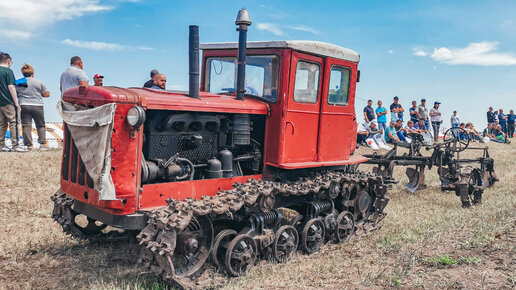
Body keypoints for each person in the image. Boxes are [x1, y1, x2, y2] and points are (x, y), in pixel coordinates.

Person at [15, 64, 50, 150]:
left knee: (26, 125)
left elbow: (15, 93)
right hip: (37, 105)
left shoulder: (18, 82)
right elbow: (47, 94)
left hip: (24, 105)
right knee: (40, 125)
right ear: (32, 73)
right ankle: (42, 144)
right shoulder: (38, 82)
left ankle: (28, 145)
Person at [0, 52, 24, 152]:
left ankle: (1, 145)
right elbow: (11, 87)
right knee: (14, 123)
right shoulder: (8, 71)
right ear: (9, 61)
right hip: (8, 101)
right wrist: (16, 102)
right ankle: (15, 145)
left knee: (2, 124)